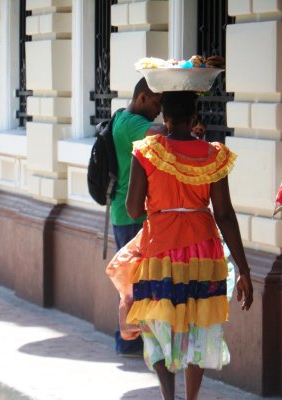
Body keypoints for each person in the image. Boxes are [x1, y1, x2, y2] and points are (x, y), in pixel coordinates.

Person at [108, 90, 253, 399]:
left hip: (159, 247)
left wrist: (161, 200)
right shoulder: (214, 155)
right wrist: (244, 270)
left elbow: (133, 210)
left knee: (155, 323)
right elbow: (225, 215)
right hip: (204, 251)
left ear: (166, 118)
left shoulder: (146, 152)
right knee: (198, 325)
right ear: (195, 117)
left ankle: (167, 395)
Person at [111, 77, 165, 356]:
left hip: (128, 213)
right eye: (157, 102)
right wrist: (182, 123)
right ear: (142, 97)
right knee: (132, 285)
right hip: (130, 213)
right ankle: (127, 341)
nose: (159, 109)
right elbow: (161, 133)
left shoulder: (122, 118)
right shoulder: (131, 122)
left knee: (133, 282)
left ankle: (130, 340)